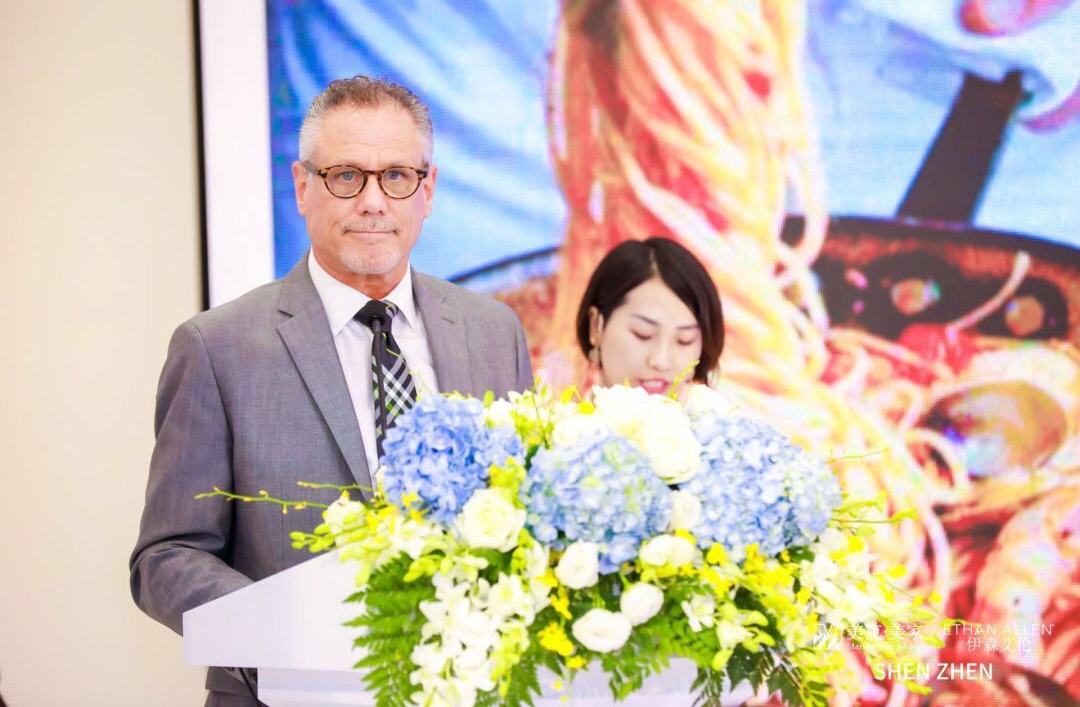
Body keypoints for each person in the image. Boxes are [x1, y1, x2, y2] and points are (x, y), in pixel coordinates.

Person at [130, 76, 533, 706]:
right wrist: (284, 636)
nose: (373, 201)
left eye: (396, 176)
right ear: (302, 187)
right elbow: (166, 556)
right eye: (346, 176)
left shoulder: (494, 331)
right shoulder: (216, 347)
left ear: (428, 190)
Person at [575, 237, 725, 397]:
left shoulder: (721, 412)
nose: (661, 362)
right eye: (643, 334)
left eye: (685, 340)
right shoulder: (560, 410)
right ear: (595, 326)